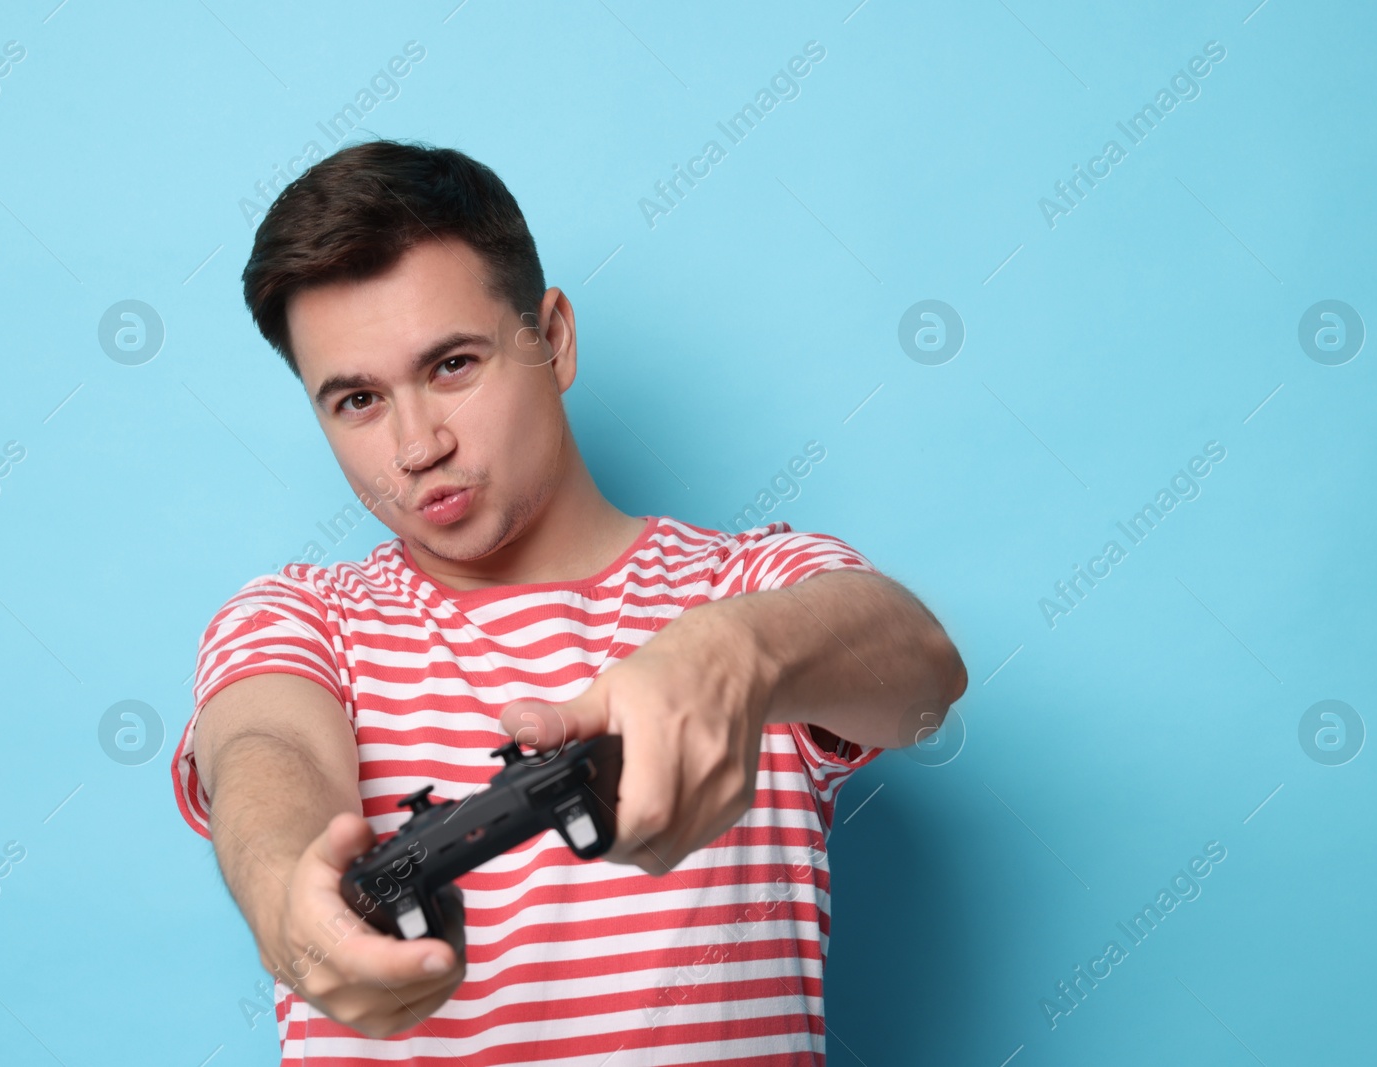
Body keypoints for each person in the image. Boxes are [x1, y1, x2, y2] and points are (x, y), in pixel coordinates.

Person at [169, 138, 966, 1066]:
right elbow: (265, 749)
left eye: (453, 365)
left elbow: (924, 672)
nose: (416, 444)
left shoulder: (748, 586)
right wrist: (282, 891)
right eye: (357, 400)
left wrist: (736, 656)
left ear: (551, 338)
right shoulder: (301, 617)